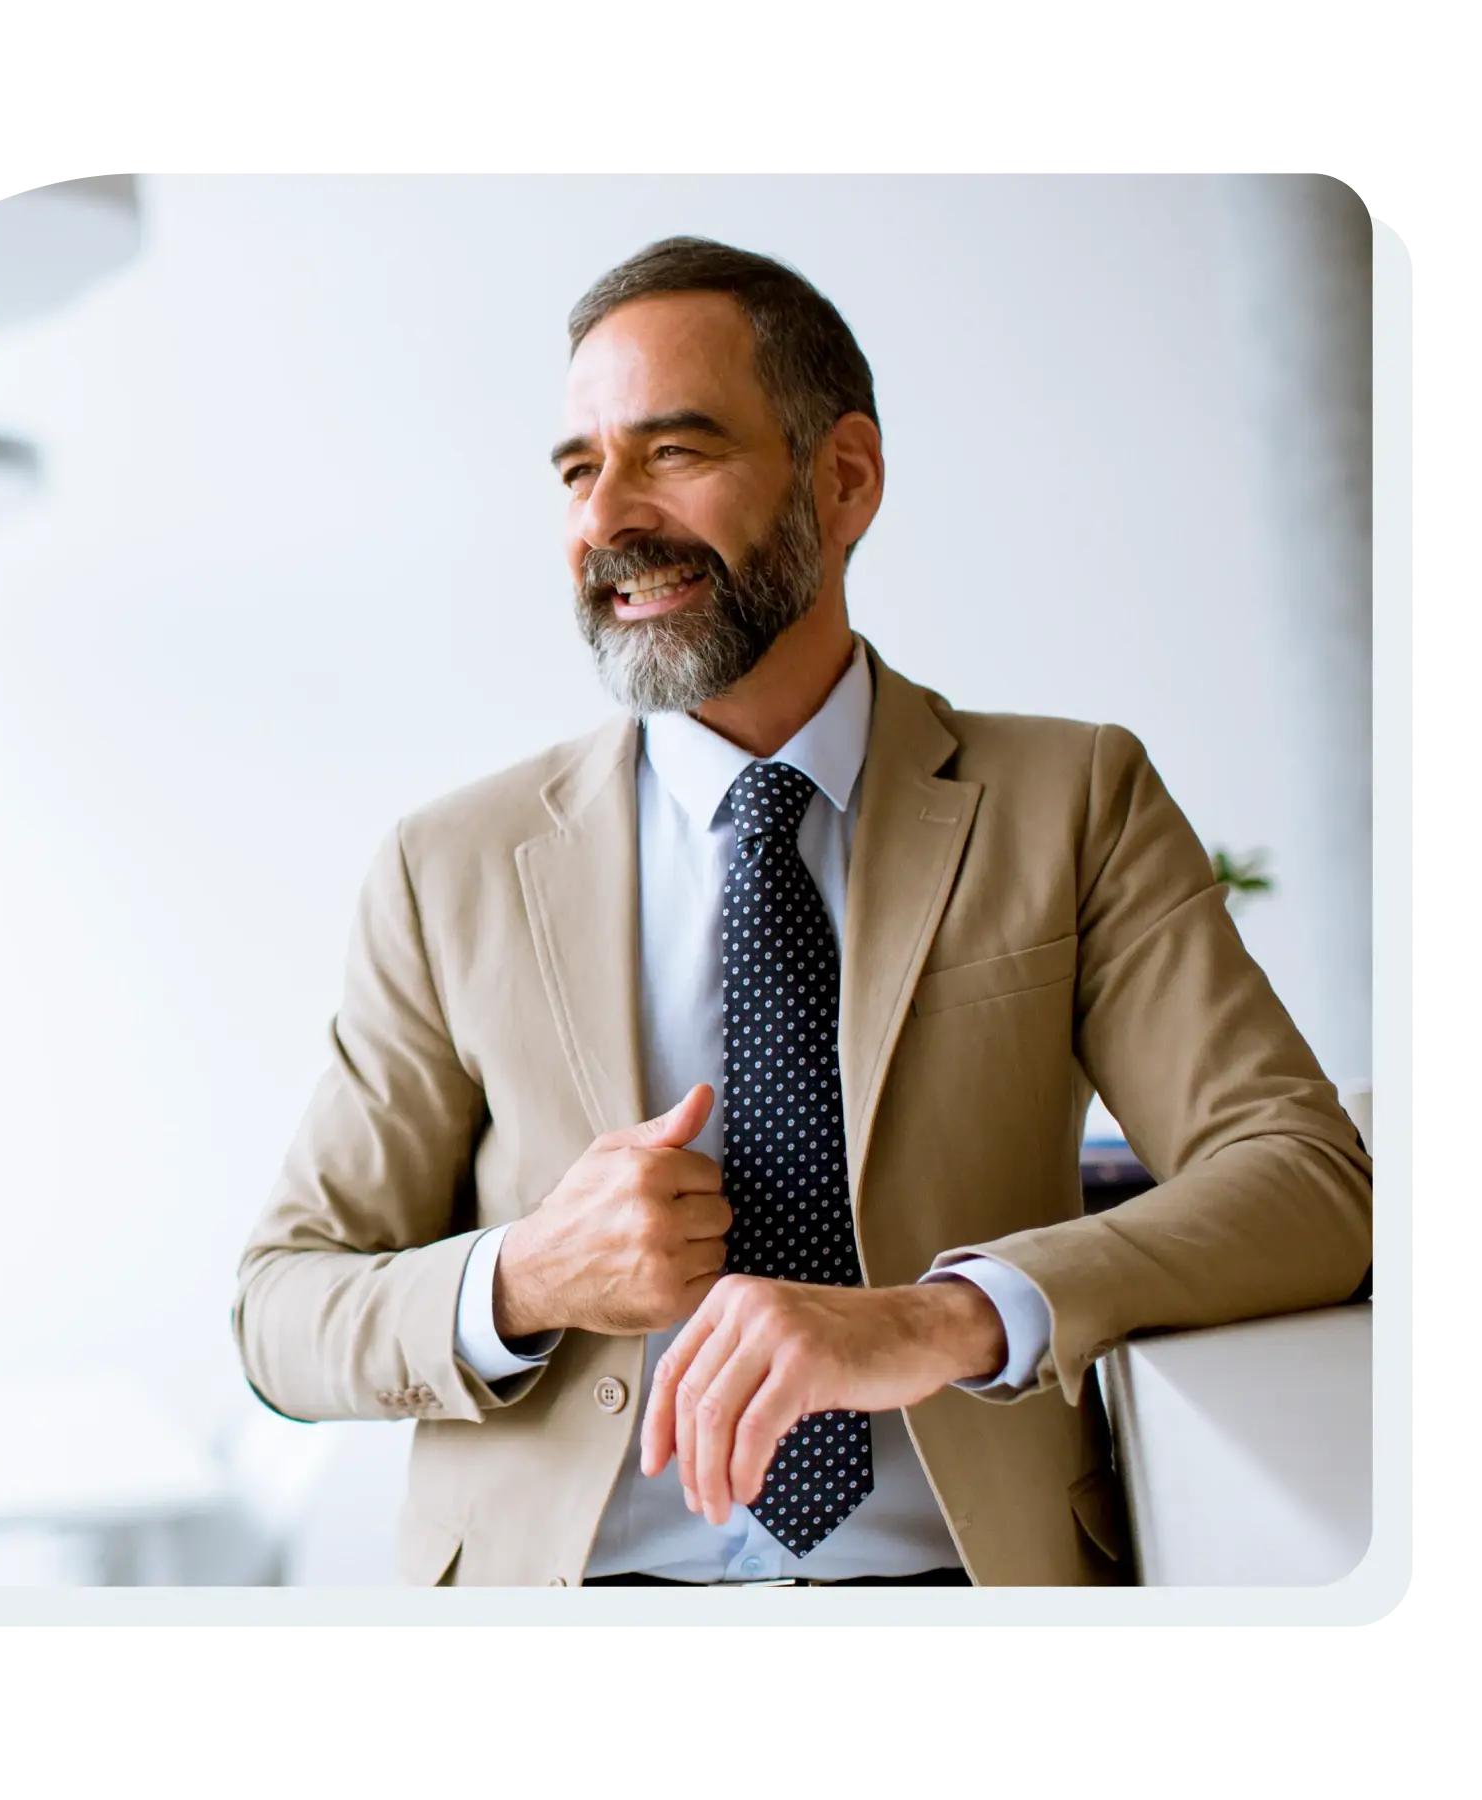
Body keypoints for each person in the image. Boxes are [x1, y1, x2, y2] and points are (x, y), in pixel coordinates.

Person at [233, 237, 1372, 1587]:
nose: (610, 519)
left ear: (843, 482)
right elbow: (283, 1313)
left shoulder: (1071, 801)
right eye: (579, 469)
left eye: (674, 452)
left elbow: (1308, 1180)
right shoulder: (452, 866)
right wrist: (527, 1279)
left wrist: (948, 1317)